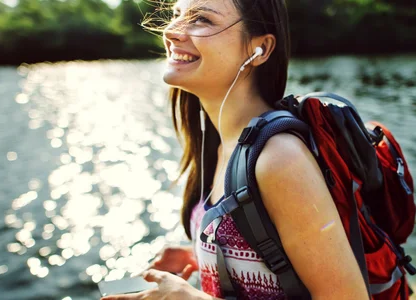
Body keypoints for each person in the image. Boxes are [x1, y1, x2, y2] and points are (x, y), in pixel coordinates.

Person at [101, 0, 368, 299]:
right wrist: (203, 255)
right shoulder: (217, 145)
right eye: (176, 15)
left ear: (261, 49)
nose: (172, 31)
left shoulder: (278, 158)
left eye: (200, 19)